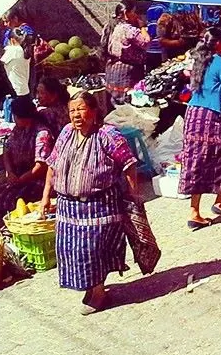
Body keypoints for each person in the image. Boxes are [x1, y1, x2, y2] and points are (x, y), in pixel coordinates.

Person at [40, 91, 147, 314]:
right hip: (68, 208)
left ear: (94, 110)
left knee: (92, 251)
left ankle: (98, 293)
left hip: (100, 206)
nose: (76, 115)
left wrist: (132, 194)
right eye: (72, 110)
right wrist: (45, 197)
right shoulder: (67, 133)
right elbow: (52, 165)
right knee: (72, 251)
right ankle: (93, 287)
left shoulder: (108, 135)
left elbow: (129, 164)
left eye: (80, 109)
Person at [177, 28, 221, 228]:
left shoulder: (199, 62)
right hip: (211, 117)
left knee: (200, 161)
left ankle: (209, 206)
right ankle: (199, 211)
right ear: (219, 43)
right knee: (218, 161)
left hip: (193, 115)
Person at [0, 96, 52, 220]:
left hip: (36, 179)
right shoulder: (18, 130)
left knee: (11, 201)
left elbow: (41, 166)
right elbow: (7, 150)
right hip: (18, 176)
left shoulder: (42, 133)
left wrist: (21, 180)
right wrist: (10, 172)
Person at [105, 6, 150, 104]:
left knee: (115, 103)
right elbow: (146, 42)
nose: (136, 15)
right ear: (126, 13)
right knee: (127, 103)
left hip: (112, 70)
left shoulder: (114, 27)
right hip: (127, 72)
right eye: (134, 12)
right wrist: (142, 27)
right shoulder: (129, 29)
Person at [1, 28, 31, 97]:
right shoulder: (24, 50)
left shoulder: (12, 50)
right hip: (25, 90)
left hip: (15, 92)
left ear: (12, 40)